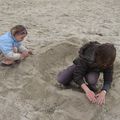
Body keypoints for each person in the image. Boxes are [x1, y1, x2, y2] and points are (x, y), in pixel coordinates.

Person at [57, 41, 116, 105]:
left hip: (93, 70)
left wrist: (103, 92)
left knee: (92, 80)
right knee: (61, 79)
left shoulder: (109, 61)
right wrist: (87, 91)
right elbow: (77, 75)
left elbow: (108, 80)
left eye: (107, 64)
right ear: (98, 56)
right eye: (104, 63)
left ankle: (85, 80)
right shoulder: (88, 54)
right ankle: (71, 73)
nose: (105, 65)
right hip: (80, 66)